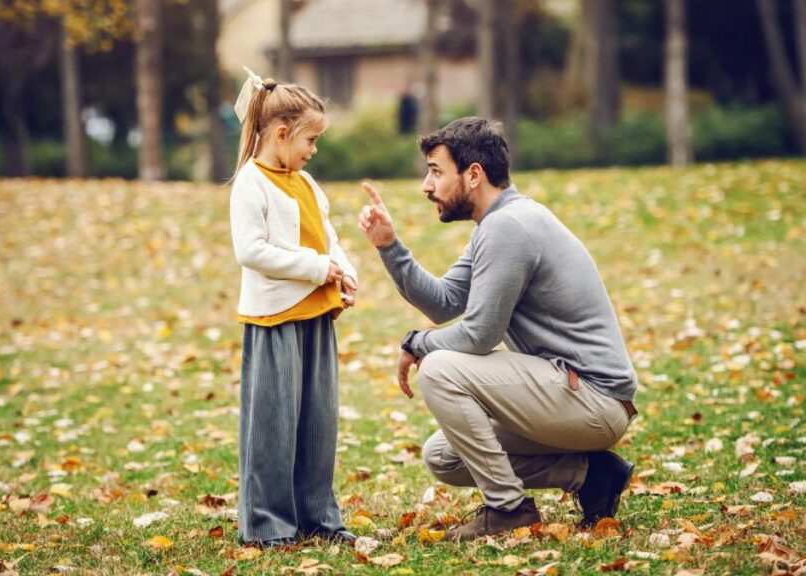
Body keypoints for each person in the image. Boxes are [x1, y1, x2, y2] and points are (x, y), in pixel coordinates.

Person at [358, 117, 638, 541]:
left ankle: (508, 509)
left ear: (473, 174)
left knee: (439, 368)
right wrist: (389, 247)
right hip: (570, 395)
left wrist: (418, 345)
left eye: (436, 171)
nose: (426, 186)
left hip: (593, 399)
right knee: (444, 456)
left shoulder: (509, 226)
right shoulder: (501, 222)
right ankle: (592, 474)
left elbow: (479, 335)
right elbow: (443, 302)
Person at [229, 68, 358, 548]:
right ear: (281, 134)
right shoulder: (251, 183)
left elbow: (330, 238)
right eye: (311, 139)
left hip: (317, 319)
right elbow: (252, 251)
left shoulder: (306, 182)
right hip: (274, 321)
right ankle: (267, 525)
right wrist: (317, 268)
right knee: (273, 427)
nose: (314, 149)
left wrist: (344, 273)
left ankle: (319, 518)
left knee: (318, 424)